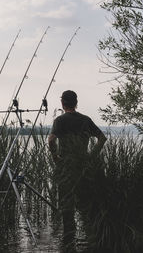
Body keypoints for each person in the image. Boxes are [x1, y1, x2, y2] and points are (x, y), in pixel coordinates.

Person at [48, 90, 107, 252]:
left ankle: (68, 244)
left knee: (67, 211)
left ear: (63, 103)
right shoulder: (86, 120)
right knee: (86, 209)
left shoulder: (60, 120)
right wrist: (90, 156)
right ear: (76, 102)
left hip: (66, 170)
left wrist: (55, 158)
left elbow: (51, 140)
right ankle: (91, 244)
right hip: (84, 169)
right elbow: (102, 138)